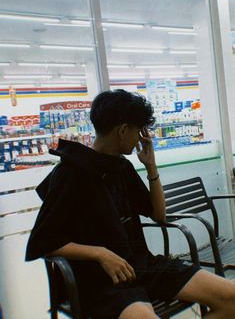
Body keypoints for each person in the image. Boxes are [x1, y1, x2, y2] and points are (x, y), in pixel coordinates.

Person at [26, 89, 235, 319]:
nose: (140, 139)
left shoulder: (121, 167)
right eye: (138, 131)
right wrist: (100, 254)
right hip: (100, 282)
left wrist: (151, 167)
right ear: (123, 131)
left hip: (141, 265)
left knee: (231, 297)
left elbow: (159, 215)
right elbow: (43, 242)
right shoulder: (71, 173)